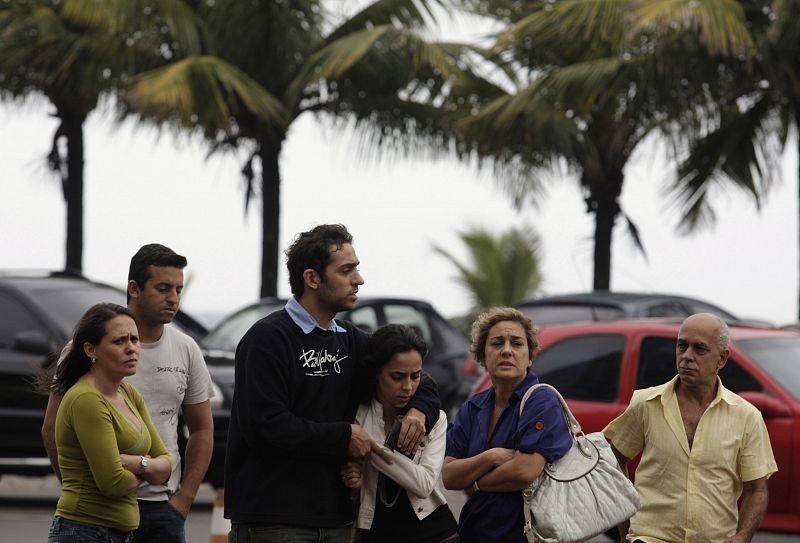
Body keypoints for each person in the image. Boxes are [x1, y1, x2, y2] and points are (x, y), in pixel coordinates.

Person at [225, 223, 440, 543]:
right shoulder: (267, 339)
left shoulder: (350, 340)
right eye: (346, 270)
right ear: (312, 278)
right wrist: (344, 436)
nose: (359, 279)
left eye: (357, 269)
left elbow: (415, 376)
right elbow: (265, 426)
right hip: (273, 519)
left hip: (337, 517)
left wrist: (419, 412)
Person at [42, 244, 215, 543]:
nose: (173, 298)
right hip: (98, 508)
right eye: (163, 288)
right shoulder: (84, 352)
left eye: (178, 289)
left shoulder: (186, 348)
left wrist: (184, 499)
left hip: (162, 508)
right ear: (134, 288)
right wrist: (76, 487)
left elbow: (201, 429)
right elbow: (52, 428)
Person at [603, 313, 777, 543]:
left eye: (700, 349)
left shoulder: (746, 416)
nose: (687, 356)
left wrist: (743, 536)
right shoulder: (646, 404)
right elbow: (614, 463)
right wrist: (626, 529)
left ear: (722, 358)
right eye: (682, 346)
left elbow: (756, 489)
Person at [442, 307, 572, 543]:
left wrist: (475, 482)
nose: (506, 351)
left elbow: (523, 472)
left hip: (526, 534)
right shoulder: (473, 408)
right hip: (475, 529)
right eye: (497, 343)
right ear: (482, 355)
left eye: (516, 343)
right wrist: (490, 457)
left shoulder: (541, 401)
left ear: (530, 355)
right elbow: (449, 476)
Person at [45, 303, 172, 543]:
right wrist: (149, 468)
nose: (131, 349)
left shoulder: (128, 393)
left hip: (118, 534)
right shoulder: (86, 399)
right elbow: (112, 483)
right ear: (91, 350)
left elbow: (166, 464)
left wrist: (133, 462)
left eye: (135, 339)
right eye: (119, 341)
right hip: (84, 531)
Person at [341, 324, 458, 543]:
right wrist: (353, 483)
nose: (408, 387)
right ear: (377, 373)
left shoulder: (434, 418)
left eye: (415, 376)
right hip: (375, 532)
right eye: (397, 376)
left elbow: (423, 484)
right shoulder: (357, 415)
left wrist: (370, 447)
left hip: (435, 533)